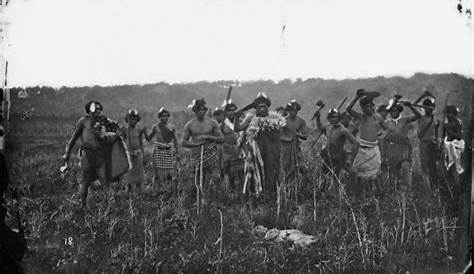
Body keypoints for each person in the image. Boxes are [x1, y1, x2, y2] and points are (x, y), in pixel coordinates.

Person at [234, 92, 285, 205]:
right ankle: (254, 200)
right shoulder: (250, 118)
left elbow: (277, 139)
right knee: (254, 177)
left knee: (271, 176)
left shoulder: (275, 120)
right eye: (259, 107)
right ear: (255, 108)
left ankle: (270, 200)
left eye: (264, 106)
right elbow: (237, 128)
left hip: (271, 154)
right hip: (255, 155)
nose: (262, 109)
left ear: (268, 107)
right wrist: (237, 117)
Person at [63, 101, 113, 208]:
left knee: (104, 181)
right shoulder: (83, 121)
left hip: (100, 156)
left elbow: (111, 135)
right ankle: (83, 206)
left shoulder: (104, 121)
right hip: (87, 155)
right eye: (96, 109)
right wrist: (67, 154)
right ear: (89, 110)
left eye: (100, 109)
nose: (98, 111)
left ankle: (106, 208)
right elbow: (73, 138)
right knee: (86, 182)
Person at [181, 99, 223, 211]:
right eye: (198, 110)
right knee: (198, 181)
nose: (201, 112)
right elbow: (183, 142)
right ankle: (200, 202)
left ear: (205, 110)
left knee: (210, 180)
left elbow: (221, 139)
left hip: (210, 154)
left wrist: (210, 138)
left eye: (203, 110)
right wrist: (196, 144)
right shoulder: (189, 125)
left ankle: (208, 203)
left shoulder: (212, 123)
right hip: (196, 155)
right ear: (194, 111)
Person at [346, 90, 385, 197]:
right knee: (355, 172)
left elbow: (385, 128)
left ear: (372, 107)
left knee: (375, 174)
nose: (367, 109)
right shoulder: (361, 117)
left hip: (374, 149)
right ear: (363, 109)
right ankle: (356, 195)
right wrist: (356, 97)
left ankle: (380, 194)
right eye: (365, 107)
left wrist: (380, 135)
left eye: (369, 106)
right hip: (362, 149)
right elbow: (348, 109)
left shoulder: (378, 118)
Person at [384, 101, 421, 191]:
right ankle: (395, 192)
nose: (393, 113)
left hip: (404, 147)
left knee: (405, 166)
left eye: (395, 111)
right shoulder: (387, 122)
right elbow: (384, 135)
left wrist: (410, 106)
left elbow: (418, 116)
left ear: (399, 111)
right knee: (393, 170)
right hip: (392, 148)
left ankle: (408, 188)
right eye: (391, 111)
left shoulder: (404, 119)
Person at [315, 108, 358, 177]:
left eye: (336, 117)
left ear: (339, 118)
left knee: (336, 177)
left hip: (338, 158)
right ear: (329, 118)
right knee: (324, 176)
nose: (334, 119)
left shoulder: (342, 130)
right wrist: (317, 118)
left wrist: (351, 160)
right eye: (332, 117)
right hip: (328, 157)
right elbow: (320, 128)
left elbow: (356, 143)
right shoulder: (328, 127)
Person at [216, 102, 245, 201]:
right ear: (226, 112)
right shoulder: (222, 125)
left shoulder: (241, 121)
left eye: (233, 110)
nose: (232, 112)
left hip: (240, 152)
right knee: (230, 176)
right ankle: (231, 196)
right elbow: (218, 139)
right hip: (228, 154)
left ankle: (243, 195)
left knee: (242, 174)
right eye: (229, 110)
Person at [146, 107, 179, 192]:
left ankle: (167, 190)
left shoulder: (172, 127)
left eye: (166, 116)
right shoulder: (156, 127)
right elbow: (149, 138)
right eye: (162, 116)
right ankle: (155, 190)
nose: (164, 117)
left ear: (168, 116)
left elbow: (175, 140)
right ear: (159, 117)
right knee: (157, 173)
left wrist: (177, 153)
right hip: (158, 151)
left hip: (168, 151)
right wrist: (144, 132)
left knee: (169, 173)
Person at [280, 100, 308, 184]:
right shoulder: (283, 121)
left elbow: (305, 136)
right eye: (291, 110)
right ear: (288, 111)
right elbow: (280, 136)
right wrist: (288, 139)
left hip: (296, 147)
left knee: (302, 167)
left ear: (297, 111)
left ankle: (304, 185)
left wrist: (297, 134)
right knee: (287, 169)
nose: (293, 113)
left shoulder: (301, 121)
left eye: (295, 111)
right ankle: (288, 187)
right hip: (286, 148)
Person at [119, 109, 146, 193]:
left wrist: (143, 155)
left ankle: (140, 192)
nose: (132, 121)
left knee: (139, 175)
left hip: (138, 155)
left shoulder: (139, 131)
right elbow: (121, 142)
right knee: (129, 175)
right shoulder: (124, 130)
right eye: (130, 119)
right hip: (128, 155)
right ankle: (128, 192)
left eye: (134, 119)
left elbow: (141, 143)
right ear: (127, 120)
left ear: (137, 120)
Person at [416, 97, 439, 192]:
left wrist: (438, 145)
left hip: (432, 145)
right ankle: (428, 191)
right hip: (424, 145)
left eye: (430, 107)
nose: (428, 109)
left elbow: (436, 135)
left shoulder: (435, 119)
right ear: (424, 108)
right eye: (426, 107)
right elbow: (419, 135)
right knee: (425, 169)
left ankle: (435, 189)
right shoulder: (421, 117)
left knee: (433, 168)